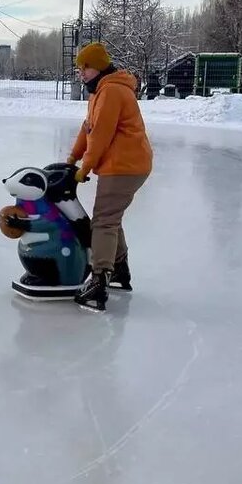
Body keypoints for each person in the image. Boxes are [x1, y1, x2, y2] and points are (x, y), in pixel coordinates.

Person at [67, 42, 153, 312]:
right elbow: (88, 128)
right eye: (80, 68)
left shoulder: (112, 91)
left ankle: (99, 280)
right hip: (126, 163)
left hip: (125, 165)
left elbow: (101, 136)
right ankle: (118, 270)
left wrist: (85, 168)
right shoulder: (100, 90)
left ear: (99, 67)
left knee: (103, 221)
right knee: (111, 217)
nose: (81, 73)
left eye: (86, 67)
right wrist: (72, 158)